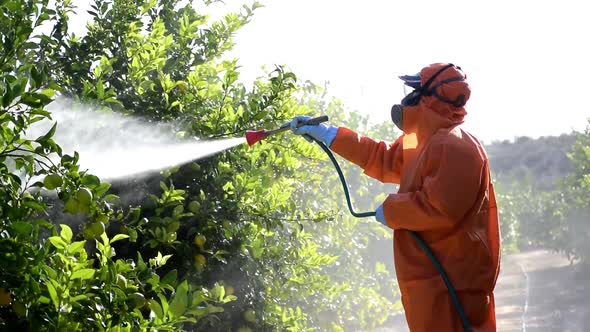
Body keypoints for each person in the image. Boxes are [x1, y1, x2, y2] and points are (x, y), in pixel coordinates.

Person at [290, 63, 501, 332]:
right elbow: (383, 158)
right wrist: (330, 134)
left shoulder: (454, 146)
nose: (408, 96)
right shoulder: (425, 141)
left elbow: (439, 208)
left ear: (431, 96)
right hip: (432, 280)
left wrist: (392, 210)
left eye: (414, 89)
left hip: (450, 284)